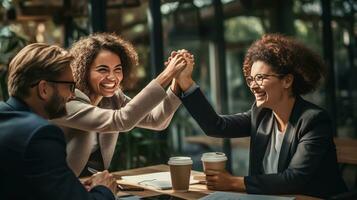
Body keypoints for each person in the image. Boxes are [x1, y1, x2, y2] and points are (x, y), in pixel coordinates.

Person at [175, 34, 347, 198]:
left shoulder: (313, 120)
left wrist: (233, 182)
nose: (253, 86)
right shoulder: (261, 115)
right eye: (251, 80)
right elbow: (216, 125)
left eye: (260, 78)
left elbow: (294, 178)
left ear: (287, 81)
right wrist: (186, 82)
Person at [52, 33, 192, 176]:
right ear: (83, 71)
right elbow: (122, 120)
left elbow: (156, 120)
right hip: (63, 188)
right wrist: (167, 74)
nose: (112, 77)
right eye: (103, 70)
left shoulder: (112, 98)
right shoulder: (67, 101)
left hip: (95, 186)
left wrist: (177, 78)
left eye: (117, 69)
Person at [0, 43, 117, 199]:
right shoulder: (39, 134)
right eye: (70, 86)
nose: (73, 95)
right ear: (44, 89)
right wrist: (104, 190)